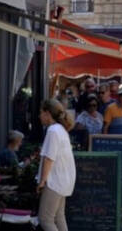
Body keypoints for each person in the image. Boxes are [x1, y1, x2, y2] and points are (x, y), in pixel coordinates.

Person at [37, 98, 76, 231]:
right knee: (59, 217)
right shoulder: (60, 130)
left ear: (48, 113)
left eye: (41, 112)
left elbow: (49, 158)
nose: (39, 115)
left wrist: (42, 181)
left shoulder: (53, 131)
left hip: (54, 181)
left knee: (45, 219)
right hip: (63, 180)